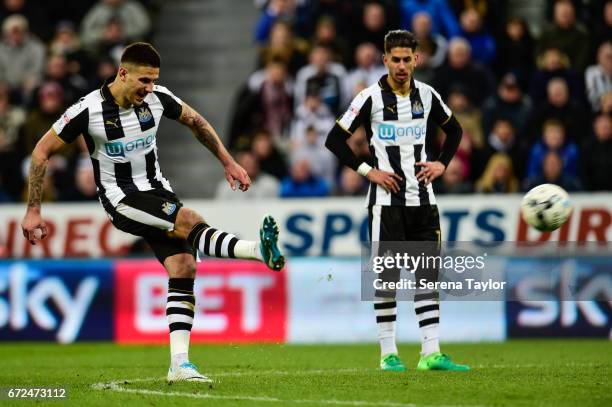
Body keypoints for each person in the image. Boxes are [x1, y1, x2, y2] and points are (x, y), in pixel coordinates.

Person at [20, 42, 285, 383]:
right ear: (123, 73)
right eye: (144, 81)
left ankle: (179, 365)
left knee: (184, 266)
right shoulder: (87, 111)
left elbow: (197, 122)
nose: (149, 88)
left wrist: (229, 162)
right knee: (188, 220)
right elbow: (41, 152)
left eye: (154, 81)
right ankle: (257, 250)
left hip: (157, 191)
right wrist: (33, 210)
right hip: (122, 199)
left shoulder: (158, 98)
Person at [325, 30, 468, 372]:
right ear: (385, 59)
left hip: (424, 201)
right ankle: (388, 353)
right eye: (396, 59)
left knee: (427, 278)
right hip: (385, 205)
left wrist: (441, 164)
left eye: (408, 59)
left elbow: (456, 131)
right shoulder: (369, 98)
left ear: (417, 60)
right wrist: (367, 171)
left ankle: (430, 353)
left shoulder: (428, 95)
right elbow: (335, 140)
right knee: (387, 280)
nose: (402, 66)